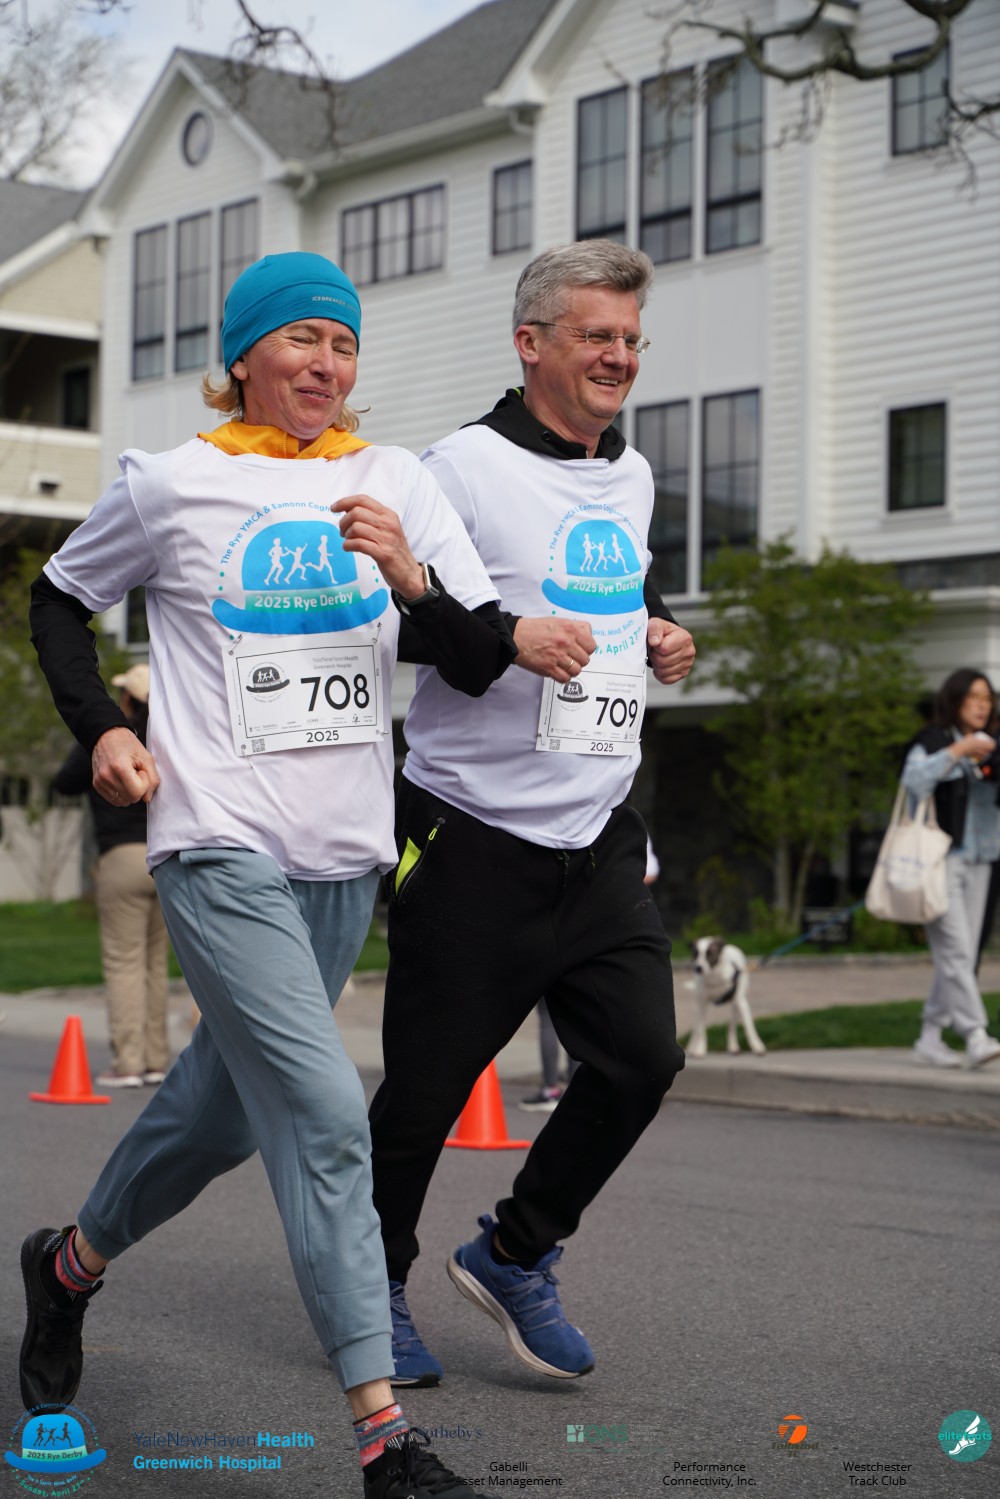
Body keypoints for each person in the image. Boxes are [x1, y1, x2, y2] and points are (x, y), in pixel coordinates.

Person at [23, 251, 517, 1499]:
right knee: (325, 1111)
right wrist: (106, 730)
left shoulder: (394, 479)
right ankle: (382, 1432)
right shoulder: (169, 482)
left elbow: (474, 654)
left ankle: (68, 1264)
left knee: (220, 1113)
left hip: (342, 854)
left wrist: (408, 575)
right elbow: (58, 599)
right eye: (302, 338)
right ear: (244, 353)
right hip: (214, 839)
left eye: (343, 343)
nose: (326, 363)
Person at [368, 240, 694, 1388]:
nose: (619, 356)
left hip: (596, 834)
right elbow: (397, 626)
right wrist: (508, 636)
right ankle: (369, 1292)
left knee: (641, 1059)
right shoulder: (455, 468)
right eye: (597, 335)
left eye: (631, 339)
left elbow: (614, 584)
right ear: (530, 342)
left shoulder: (629, 471)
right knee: (423, 1097)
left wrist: (662, 628)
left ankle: (514, 1249)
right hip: (470, 832)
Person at [54, 662, 170, 1088]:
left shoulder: (109, 739)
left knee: (124, 962)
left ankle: (128, 1063)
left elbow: (65, 782)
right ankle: (156, 1060)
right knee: (155, 964)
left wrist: (93, 743)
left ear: (125, 699)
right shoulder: (168, 737)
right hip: (163, 859)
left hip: (120, 859)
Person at [902, 668, 1000, 1070]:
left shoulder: (994, 745)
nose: (981, 705)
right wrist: (959, 751)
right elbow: (912, 781)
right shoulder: (934, 741)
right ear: (955, 699)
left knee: (962, 953)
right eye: (973, 697)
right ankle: (975, 1034)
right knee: (957, 952)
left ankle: (930, 1035)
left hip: (984, 859)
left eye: (987, 698)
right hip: (941, 860)